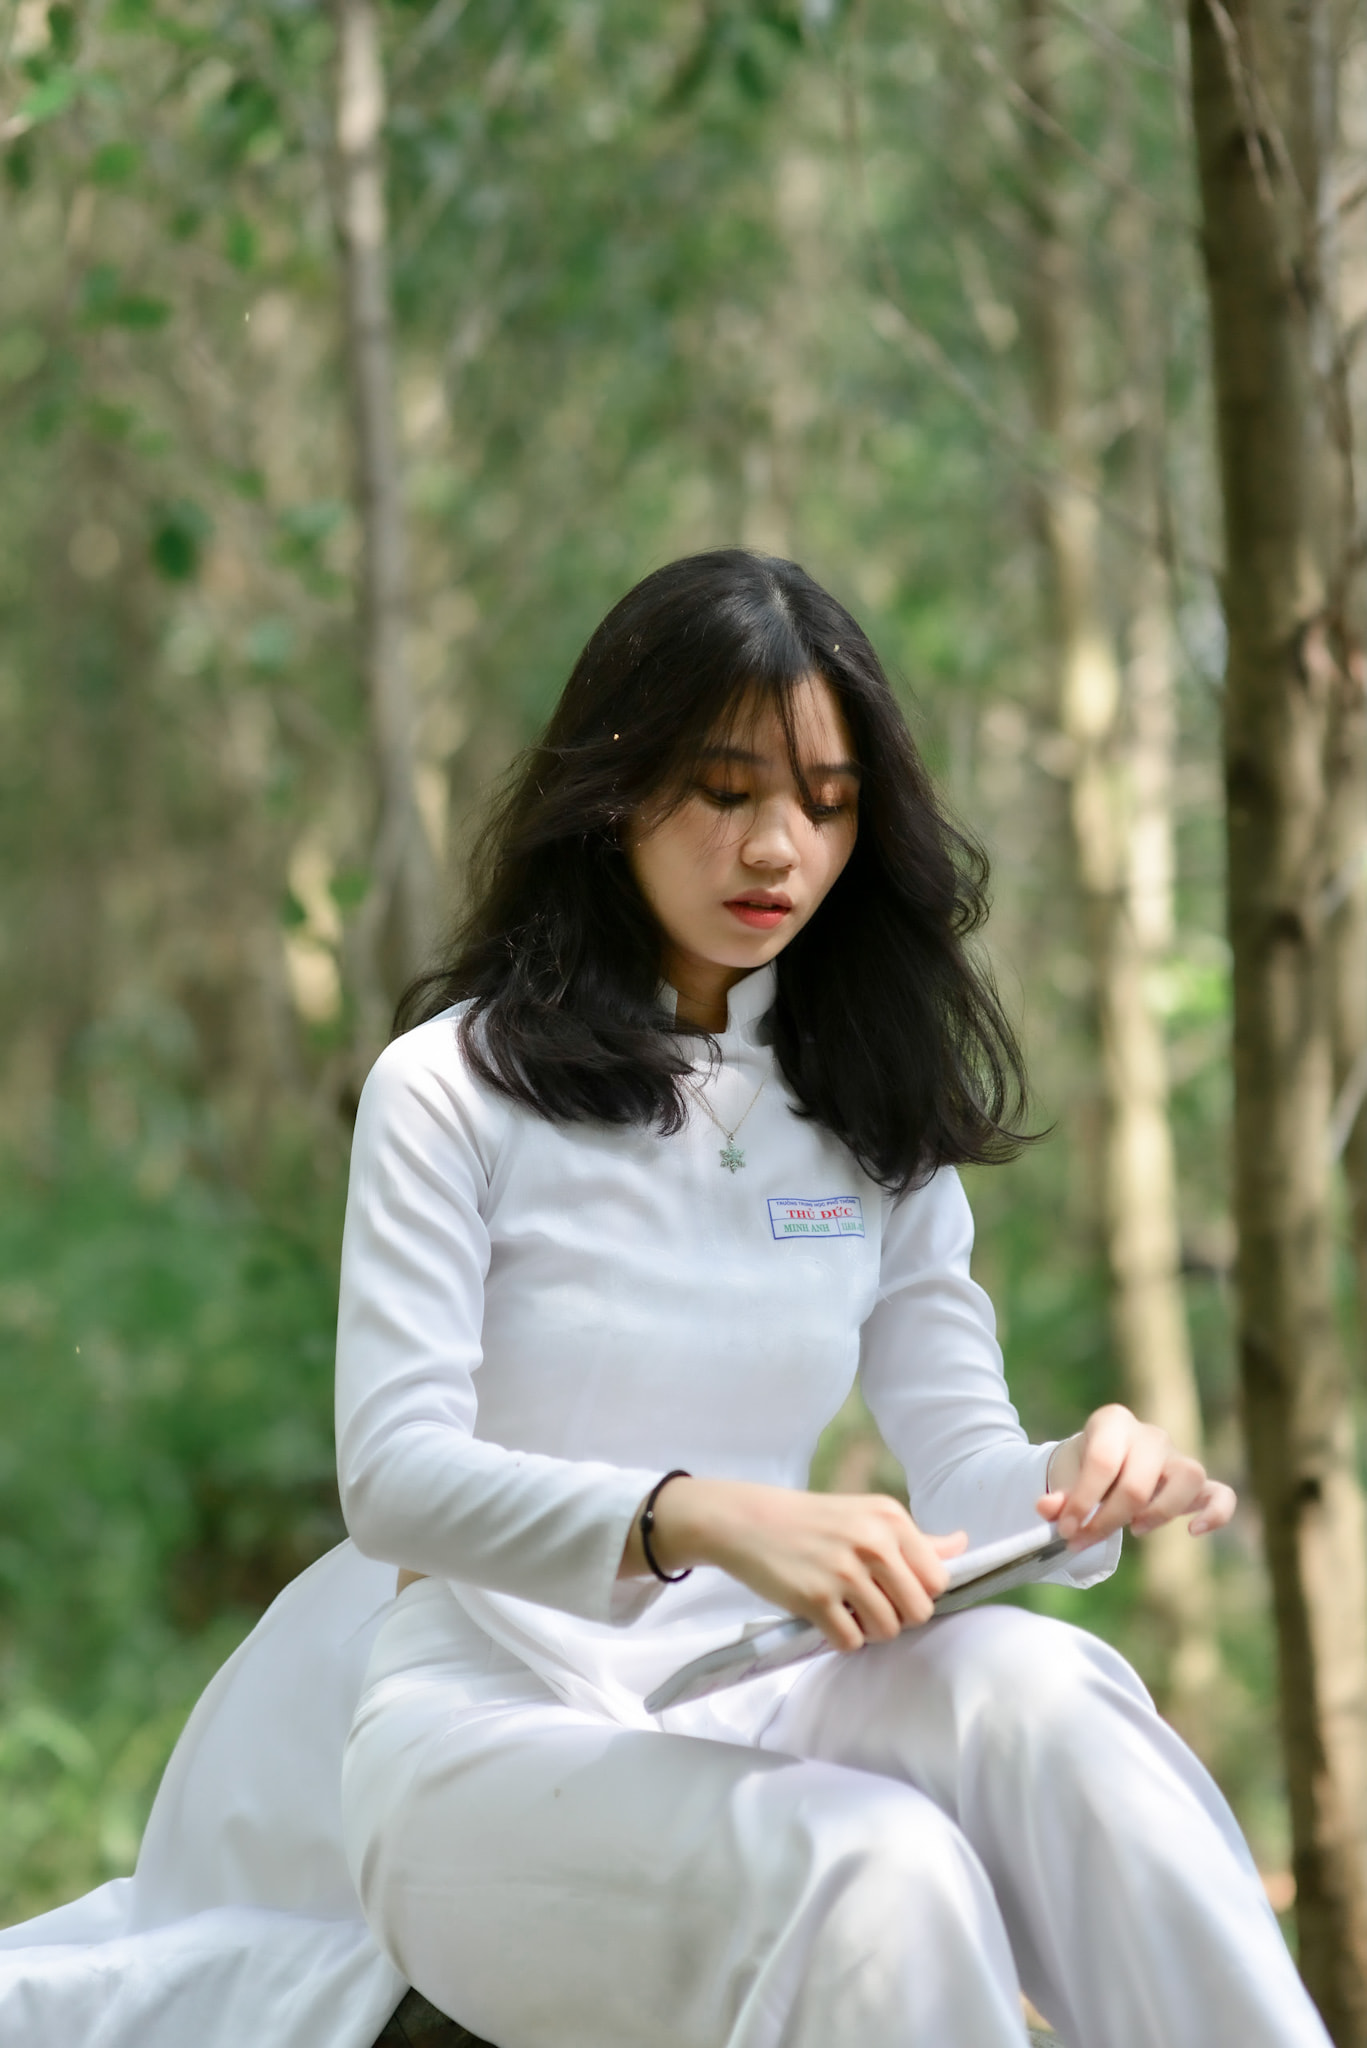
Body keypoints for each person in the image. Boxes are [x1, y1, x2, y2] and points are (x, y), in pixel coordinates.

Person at [0, 550, 1327, 2048]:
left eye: (828, 803)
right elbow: (394, 1478)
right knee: (877, 1872)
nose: (779, 847)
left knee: (1053, 1692)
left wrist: (1079, 1483)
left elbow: (966, 1477)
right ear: (615, 786)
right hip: (486, 1728)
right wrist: (696, 1516)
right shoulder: (452, 1090)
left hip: (757, 1687)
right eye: (723, 790)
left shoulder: (870, 1119)